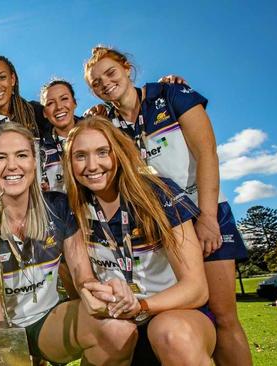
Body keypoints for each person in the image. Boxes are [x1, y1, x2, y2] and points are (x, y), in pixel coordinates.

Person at [84, 45, 251, 365]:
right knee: (180, 315)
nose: (105, 83)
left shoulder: (170, 94)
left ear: (127, 68)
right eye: (96, 83)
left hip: (205, 214)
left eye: (110, 73)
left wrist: (208, 217)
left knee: (224, 316)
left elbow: (207, 154)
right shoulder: (109, 123)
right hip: (162, 226)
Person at [0, 122, 138, 365]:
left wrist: (102, 292)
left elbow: (84, 277)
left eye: (21, 155)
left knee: (118, 331)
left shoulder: (58, 207)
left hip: (46, 321)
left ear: (35, 161)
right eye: (1, 158)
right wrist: (9, 355)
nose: (12, 166)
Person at [63, 116, 216, 365]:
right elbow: (81, 280)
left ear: (119, 153)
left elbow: (196, 288)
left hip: (172, 314)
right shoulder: (71, 209)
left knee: (171, 334)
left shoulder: (158, 192)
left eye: (103, 152)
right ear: (69, 163)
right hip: (117, 320)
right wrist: (96, 295)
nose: (92, 165)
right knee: (109, 335)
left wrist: (141, 305)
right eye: (80, 156)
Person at [38, 79, 79, 193]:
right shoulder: (39, 149)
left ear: (74, 103)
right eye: (50, 103)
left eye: (64, 99)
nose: (59, 107)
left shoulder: (97, 133)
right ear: (45, 113)